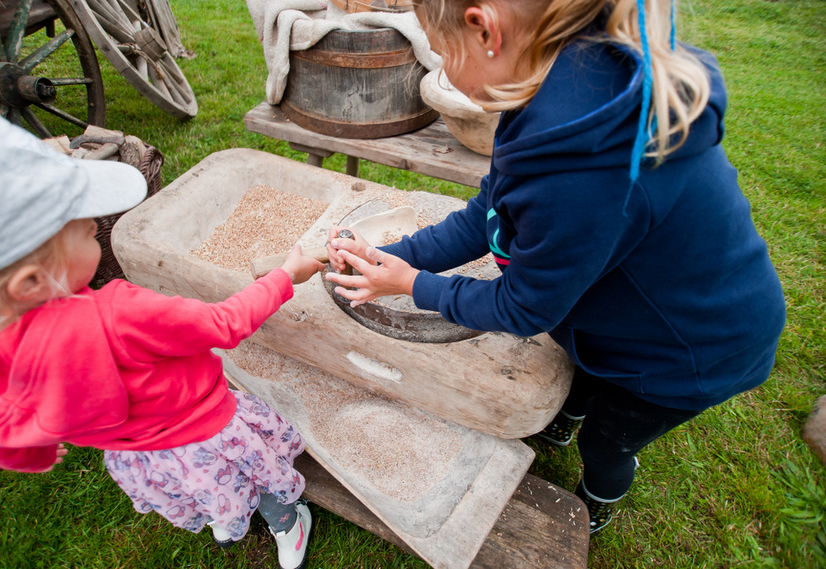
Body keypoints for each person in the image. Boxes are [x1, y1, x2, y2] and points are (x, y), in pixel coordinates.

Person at [325, 0, 786, 534]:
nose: (444, 70)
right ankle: (565, 420)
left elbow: (525, 306)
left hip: (691, 349)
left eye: (441, 50)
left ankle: (598, 497)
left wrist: (410, 285)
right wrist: (402, 253)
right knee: (583, 377)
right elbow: (489, 213)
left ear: (485, 29)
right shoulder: (551, 92)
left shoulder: (582, 173)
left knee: (609, 435)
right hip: (624, 314)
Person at [0, 112, 324, 569]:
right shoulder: (118, 314)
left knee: (198, 487)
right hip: (206, 429)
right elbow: (223, 324)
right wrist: (283, 277)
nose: (94, 232)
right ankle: (287, 519)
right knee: (249, 473)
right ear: (30, 281)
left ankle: (224, 509)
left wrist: (32, 453)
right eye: (83, 231)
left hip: (137, 455)